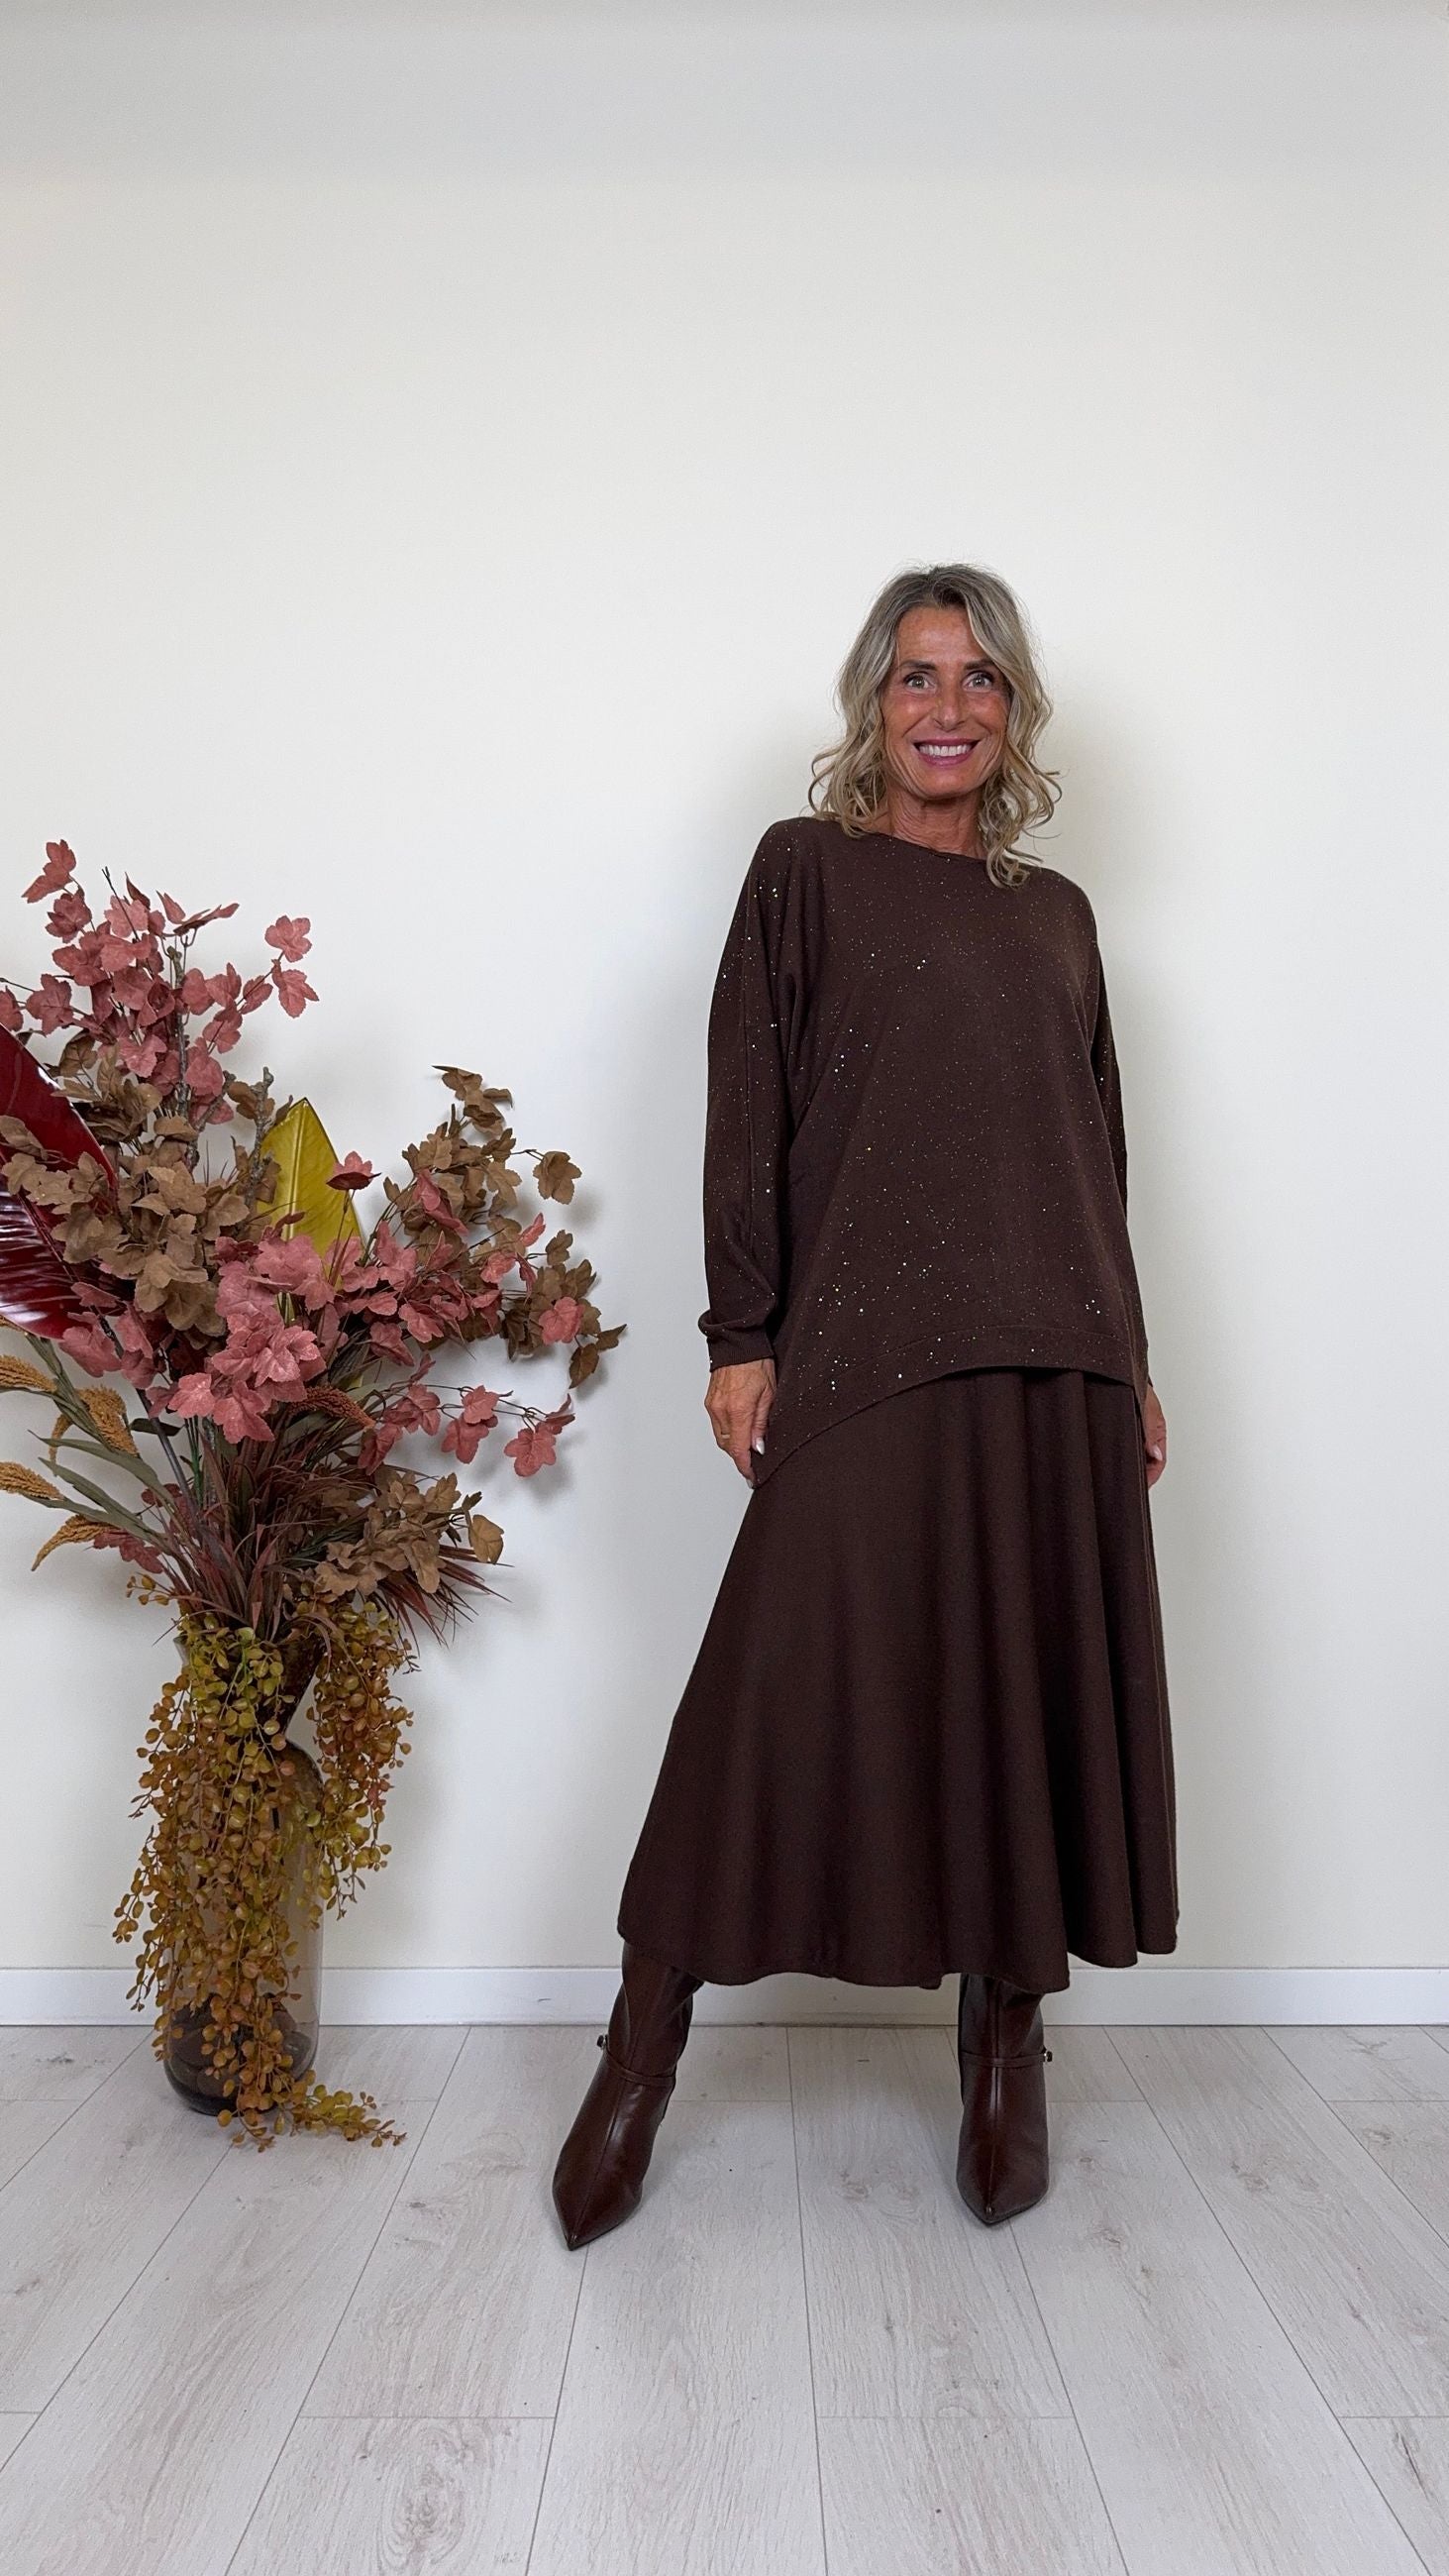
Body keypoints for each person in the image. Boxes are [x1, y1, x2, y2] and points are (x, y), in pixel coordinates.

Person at [552, 562, 1178, 2248]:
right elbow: (744, 1098)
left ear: (1015, 711)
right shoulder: (805, 870)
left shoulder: (1059, 917)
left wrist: (1132, 1362)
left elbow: (1095, 1155)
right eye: (917, 676)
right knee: (770, 1689)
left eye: (979, 679)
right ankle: (640, 2053)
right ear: (872, 704)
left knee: (1023, 1690)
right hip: (859, 1347)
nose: (947, 707)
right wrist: (740, 1331)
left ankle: (1005, 2045)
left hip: (1056, 1351)